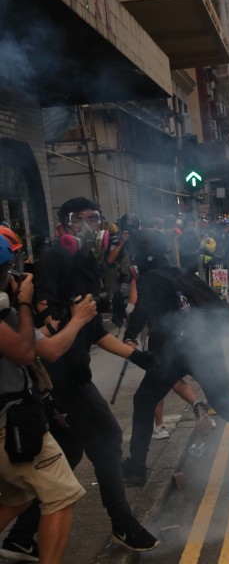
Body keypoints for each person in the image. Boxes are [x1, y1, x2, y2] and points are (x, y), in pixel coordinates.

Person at [8, 197, 161, 554]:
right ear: (66, 224)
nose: (93, 226)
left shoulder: (83, 261)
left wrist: (137, 355)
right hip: (61, 379)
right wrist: (64, 322)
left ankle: (20, 537)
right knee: (107, 438)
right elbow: (48, 322)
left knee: (71, 451)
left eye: (97, 218)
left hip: (72, 371)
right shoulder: (54, 257)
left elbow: (93, 330)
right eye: (86, 219)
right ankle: (123, 525)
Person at [121, 231, 229, 485]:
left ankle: (136, 468)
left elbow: (148, 312)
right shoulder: (178, 273)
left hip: (175, 351)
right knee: (222, 402)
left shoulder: (149, 279)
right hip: (206, 346)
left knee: (144, 400)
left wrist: (130, 335)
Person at [0, 242, 89, 564]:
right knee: (63, 495)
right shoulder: (8, 318)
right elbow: (38, 352)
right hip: (10, 426)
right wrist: (77, 319)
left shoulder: (6, 317)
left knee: (18, 497)